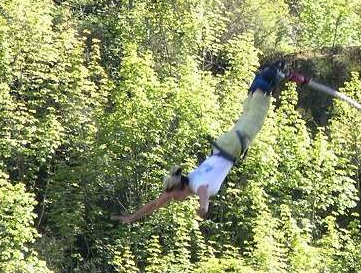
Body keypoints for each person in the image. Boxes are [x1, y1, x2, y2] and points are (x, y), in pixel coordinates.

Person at [112, 60, 307, 223]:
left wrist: (203, 207)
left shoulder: (197, 185)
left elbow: (204, 191)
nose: (173, 200)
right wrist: (132, 217)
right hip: (224, 144)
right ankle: (266, 78)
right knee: (248, 113)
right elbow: (156, 204)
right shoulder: (188, 182)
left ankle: (272, 75)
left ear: (180, 190)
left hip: (232, 147)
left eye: (174, 197)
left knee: (256, 116)